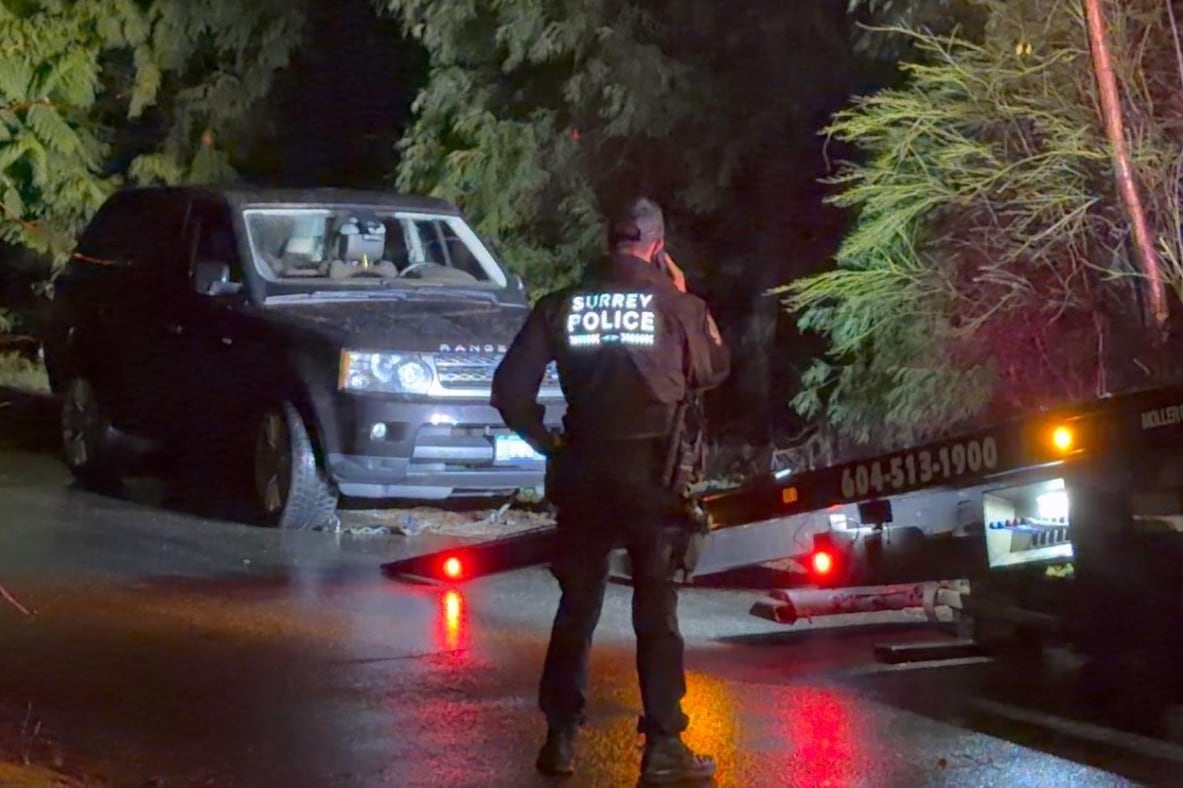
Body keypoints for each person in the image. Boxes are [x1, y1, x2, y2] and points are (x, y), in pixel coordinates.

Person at [491, 197, 731, 784]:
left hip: (584, 473)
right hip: (655, 475)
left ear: (608, 242)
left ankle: (561, 737)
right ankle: (664, 746)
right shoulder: (678, 305)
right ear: (656, 245)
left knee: (577, 605)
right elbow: (714, 369)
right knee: (656, 607)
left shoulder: (561, 306)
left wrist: (549, 446)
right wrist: (686, 295)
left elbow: (509, 392)